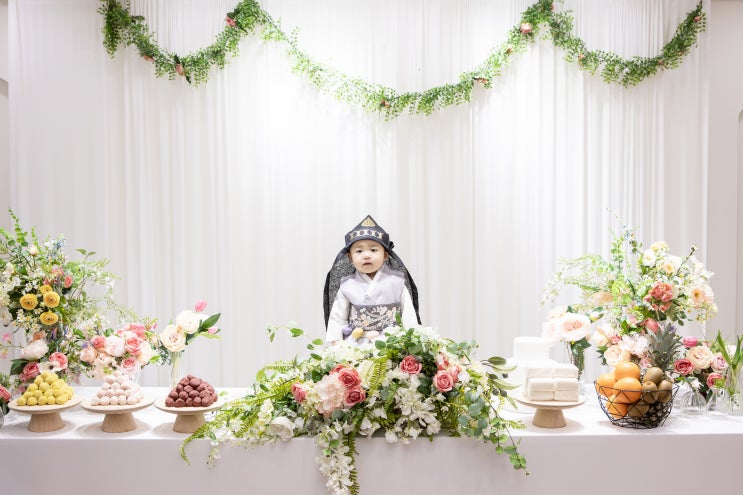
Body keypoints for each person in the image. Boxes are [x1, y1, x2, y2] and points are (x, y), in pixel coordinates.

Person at [324, 215, 421, 344]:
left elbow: (408, 315)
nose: (366, 255)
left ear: (385, 255)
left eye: (374, 250)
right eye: (359, 251)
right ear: (350, 257)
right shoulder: (347, 285)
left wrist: (412, 342)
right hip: (357, 345)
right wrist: (336, 343)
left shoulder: (397, 282)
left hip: (391, 343)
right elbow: (338, 318)